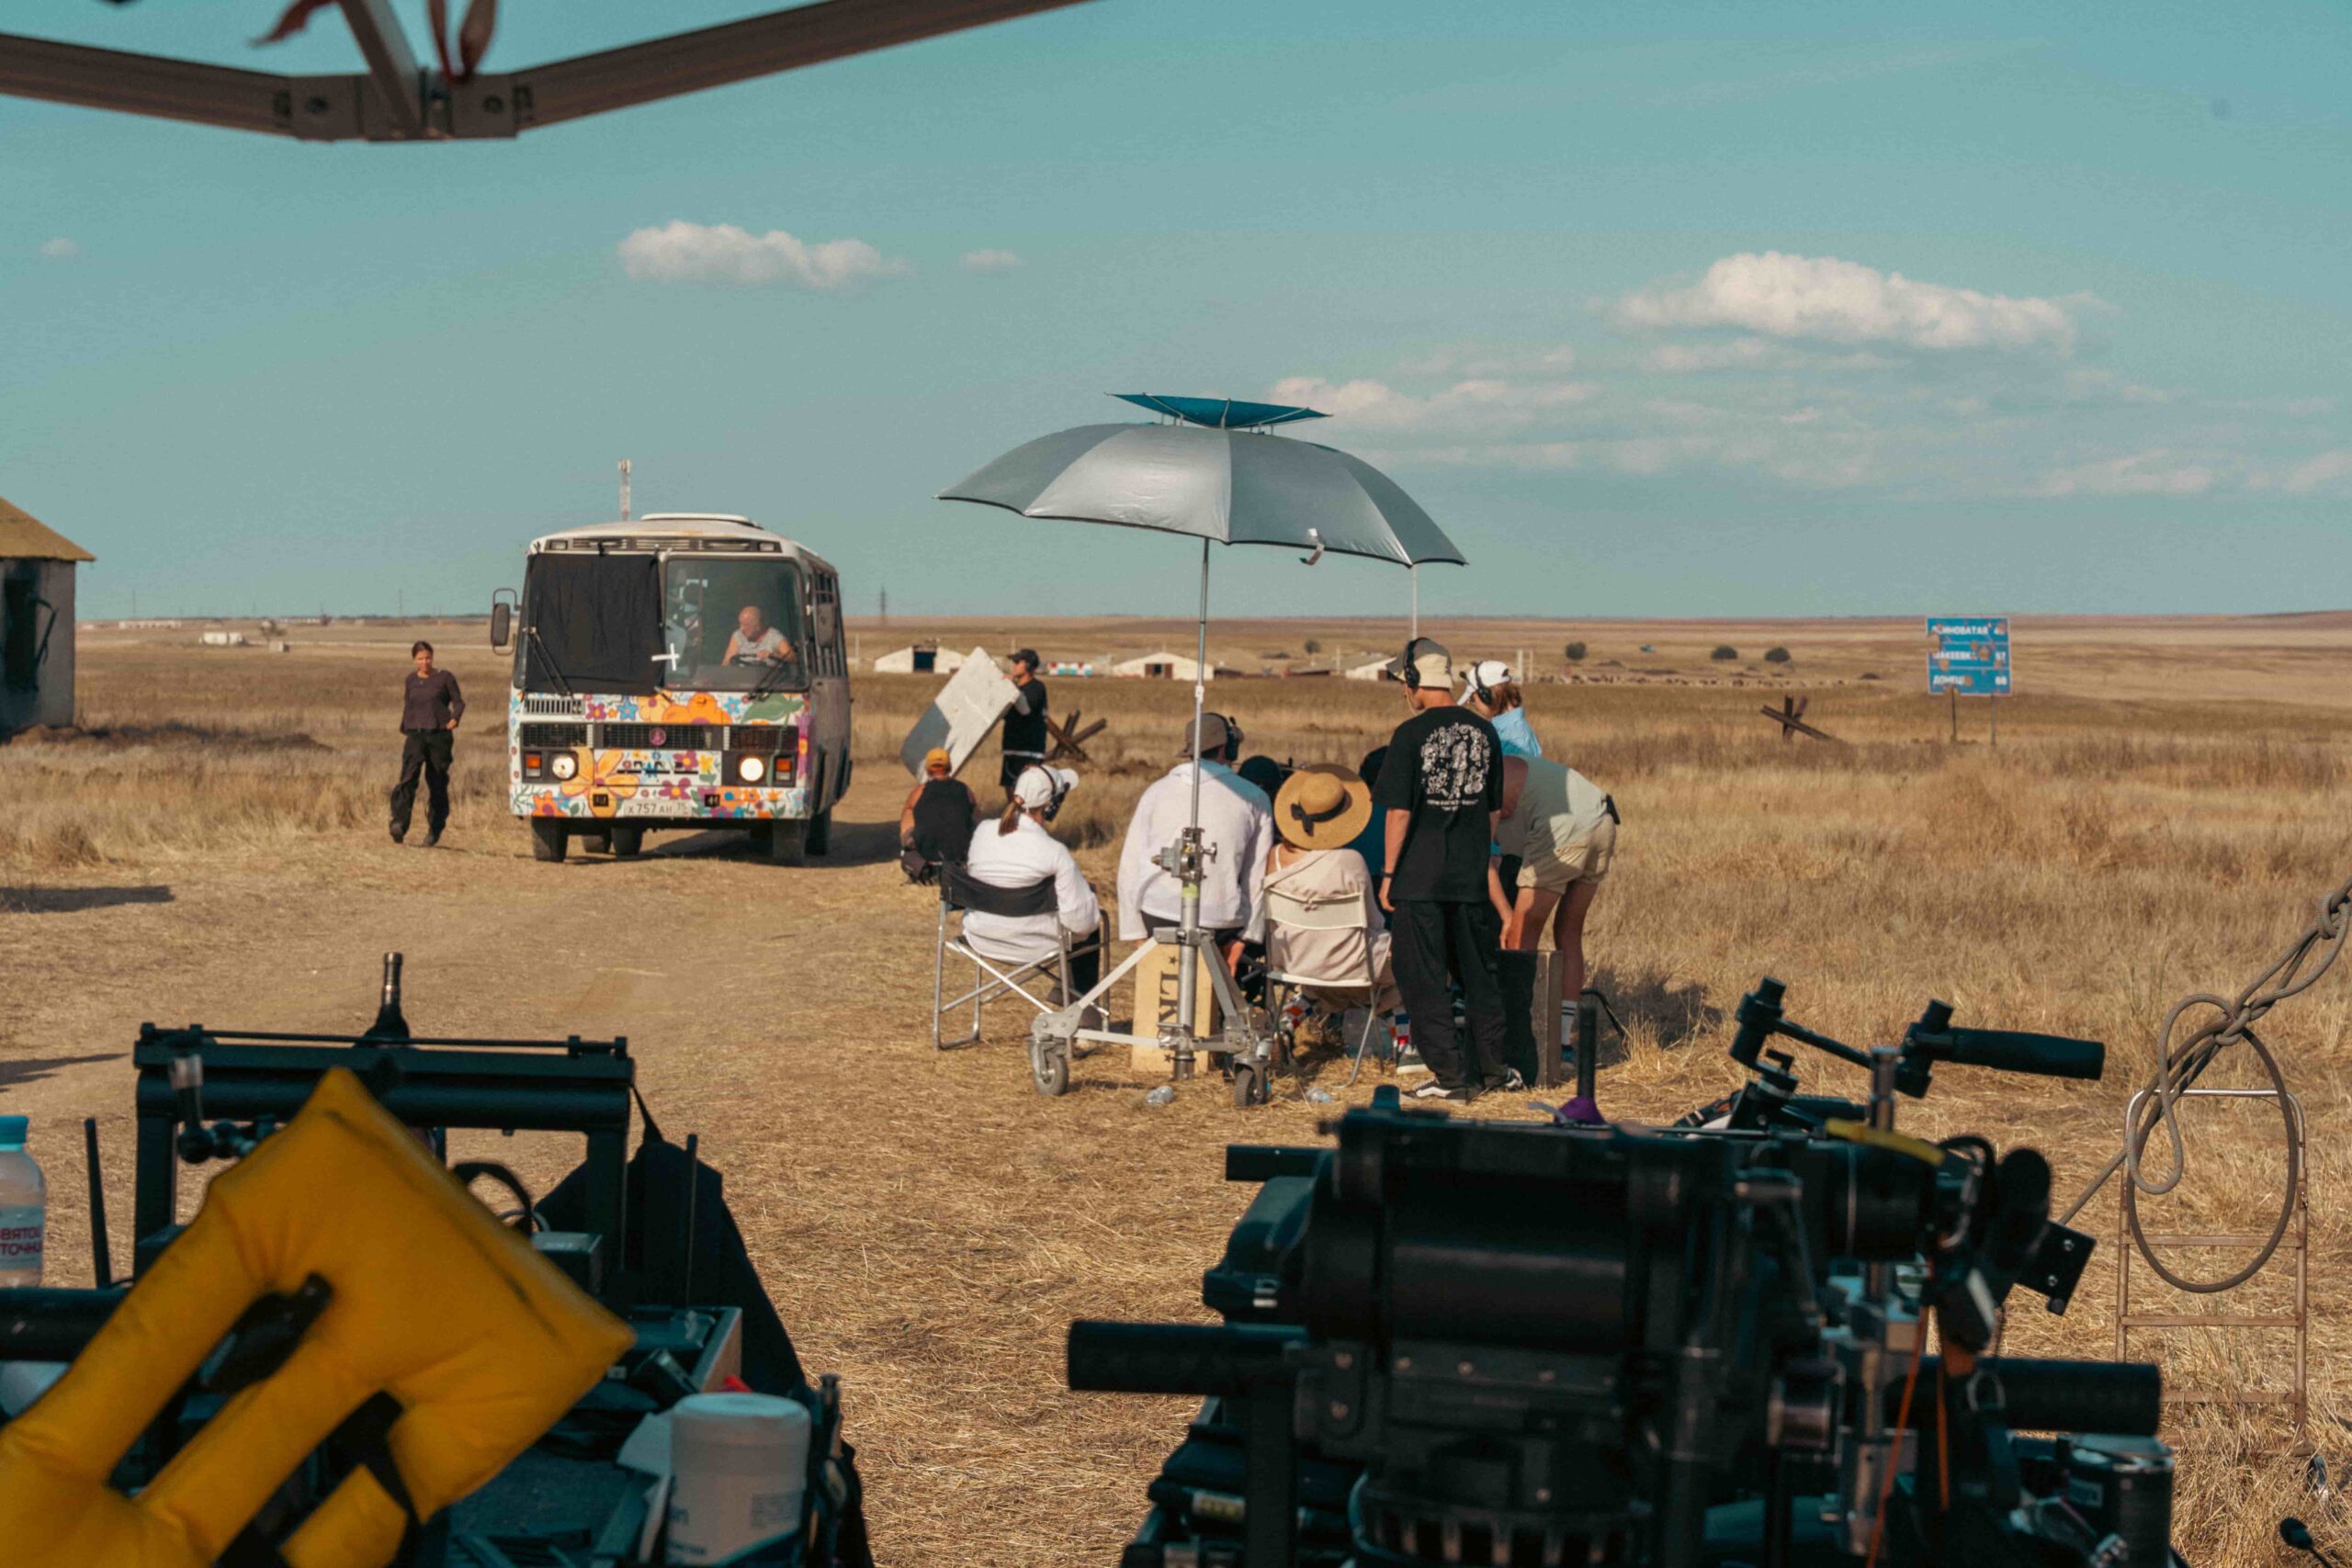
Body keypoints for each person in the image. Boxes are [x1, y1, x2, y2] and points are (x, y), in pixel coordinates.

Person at [1373, 638, 1509, 1102]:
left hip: (1420, 878)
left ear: (1415, 681)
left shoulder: (1410, 734)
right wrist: (1479, 855)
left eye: (1403, 681)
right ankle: (1494, 1069)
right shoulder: (1485, 732)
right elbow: (1493, 809)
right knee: (1478, 974)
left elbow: (1398, 813)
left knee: (1422, 976)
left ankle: (1451, 1078)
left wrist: (1389, 874)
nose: (1403, 691)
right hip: (1469, 875)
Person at [1115, 713, 1272, 970]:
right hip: (1220, 921)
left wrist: (1135, 932)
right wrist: (1245, 938)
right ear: (1225, 748)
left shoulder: (1155, 792)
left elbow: (1130, 865)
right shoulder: (1254, 798)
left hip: (1157, 914)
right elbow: (1256, 877)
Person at [1264, 765, 1400, 1016]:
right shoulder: (1350, 861)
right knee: (1413, 966)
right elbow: (1374, 921)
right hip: (1349, 966)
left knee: (1324, 976)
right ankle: (1396, 1028)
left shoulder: (1275, 857)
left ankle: (1291, 1019)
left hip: (1293, 961)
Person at [962, 764, 1102, 998]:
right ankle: (1081, 1006)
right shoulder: (1055, 851)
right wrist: (1089, 899)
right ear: (1051, 805)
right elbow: (1081, 924)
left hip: (981, 935)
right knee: (1090, 921)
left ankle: (1068, 995)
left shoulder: (983, 831)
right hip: (1031, 944)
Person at [1497, 752, 1619, 1014]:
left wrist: (1505, 914)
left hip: (1564, 830)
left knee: (1522, 931)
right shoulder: (1509, 765)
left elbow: (1484, 858)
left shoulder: (1478, 780)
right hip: (1603, 819)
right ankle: (1562, 1033)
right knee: (1569, 931)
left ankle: (1521, 1026)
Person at [390, 640, 465, 847]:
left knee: (437, 782)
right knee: (407, 779)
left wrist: (455, 718)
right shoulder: (411, 680)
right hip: (415, 736)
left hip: (439, 736)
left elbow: (459, 702)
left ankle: (435, 828)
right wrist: (405, 726)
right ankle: (399, 824)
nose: (425, 662)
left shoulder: (445, 677)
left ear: (433, 657)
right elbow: (409, 705)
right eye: (420, 659)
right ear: (414, 660)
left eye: (428, 658)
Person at [899, 747, 981, 880]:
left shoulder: (920, 791)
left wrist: (907, 840)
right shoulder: (964, 789)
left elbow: (907, 813)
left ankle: (916, 858)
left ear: (928, 768)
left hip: (927, 862)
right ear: (949, 766)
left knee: (909, 813)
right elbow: (976, 817)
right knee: (973, 817)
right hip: (959, 860)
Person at [1463, 660, 1543, 758]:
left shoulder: (1515, 738)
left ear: (1486, 696)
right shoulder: (1509, 730)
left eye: (1472, 699)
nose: (1473, 705)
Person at [998, 649, 1049, 797]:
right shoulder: (1016, 689)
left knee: (1028, 796)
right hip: (1011, 748)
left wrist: (1012, 687)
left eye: (1017, 662)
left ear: (1028, 665)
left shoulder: (1037, 688)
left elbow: (1025, 710)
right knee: (1011, 793)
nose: (1013, 665)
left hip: (1029, 751)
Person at [723, 604, 791, 665]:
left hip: (768, 674)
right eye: (740, 624)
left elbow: (791, 657)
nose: (741, 628)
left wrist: (773, 655)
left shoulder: (774, 636)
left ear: (757, 626)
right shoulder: (738, 636)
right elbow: (727, 663)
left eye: (746, 625)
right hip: (742, 674)